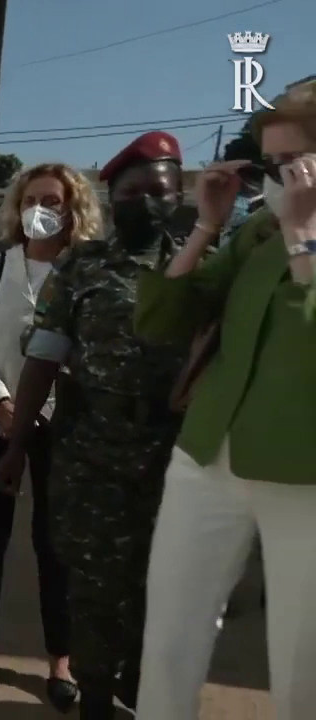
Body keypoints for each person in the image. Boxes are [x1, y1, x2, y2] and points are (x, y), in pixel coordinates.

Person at [133, 78, 316, 720]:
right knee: (169, 635)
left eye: (291, 162)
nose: (276, 178)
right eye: (267, 164)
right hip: (208, 452)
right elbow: (161, 320)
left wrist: (305, 237)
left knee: (301, 662)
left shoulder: (289, 230)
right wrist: (207, 224)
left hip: (303, 474)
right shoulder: (259, 231)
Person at [0, 132, 189, 720]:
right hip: (93, 457)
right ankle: (96, 699)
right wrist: (17, 444)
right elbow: (43, 359)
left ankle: (142, 686)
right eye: (132, 192)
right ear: (111, 198)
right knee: (94, 588)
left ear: (179, 196)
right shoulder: (83, 266)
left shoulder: (201, 266)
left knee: (164, 589)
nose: (147, 203)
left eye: (160, 191)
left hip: (176, 459)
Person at [0, 163, 100, 709]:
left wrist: (42, 410)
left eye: (52, 201)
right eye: (31, 200)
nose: (40, 210)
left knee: (56, 544)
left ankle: (61, 661)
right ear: (17, 208)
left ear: (73, 209)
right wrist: (3, 404)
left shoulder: (86, 272)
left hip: (60, 425)